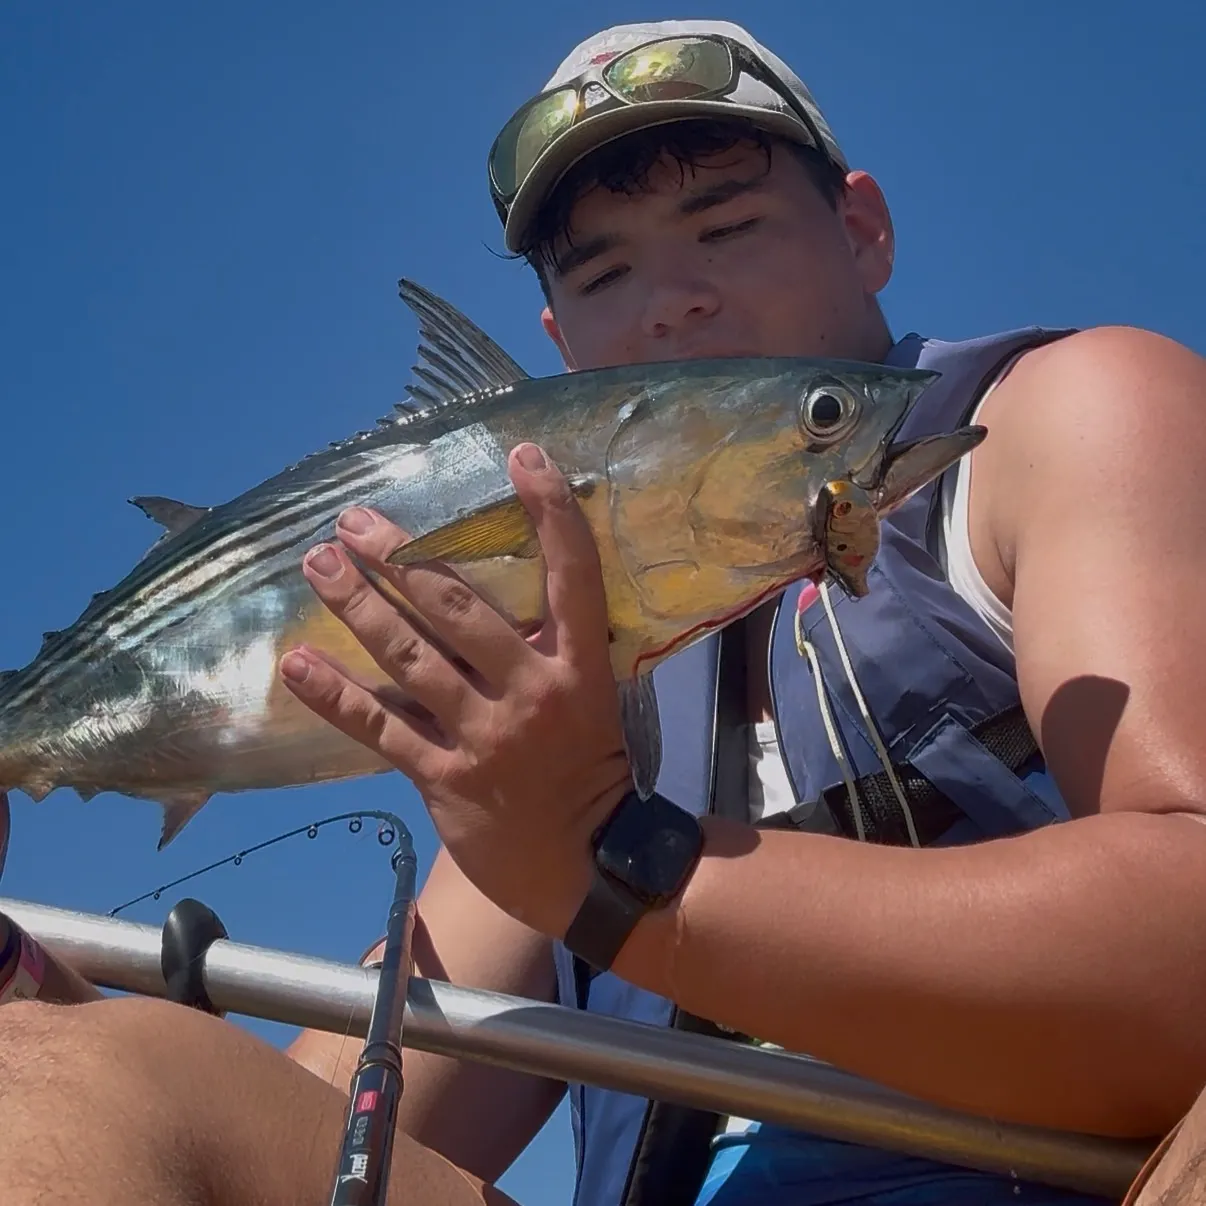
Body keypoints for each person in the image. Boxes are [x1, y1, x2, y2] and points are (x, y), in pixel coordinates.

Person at [2, 16, 1206, 1206]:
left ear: (863, 227)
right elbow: (324, 1137)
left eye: (728, 225)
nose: (670, 301)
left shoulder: (1059, 417)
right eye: (601, 272)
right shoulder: (570, 695)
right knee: (50, 1081)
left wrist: (620, 866)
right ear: (561, 347)